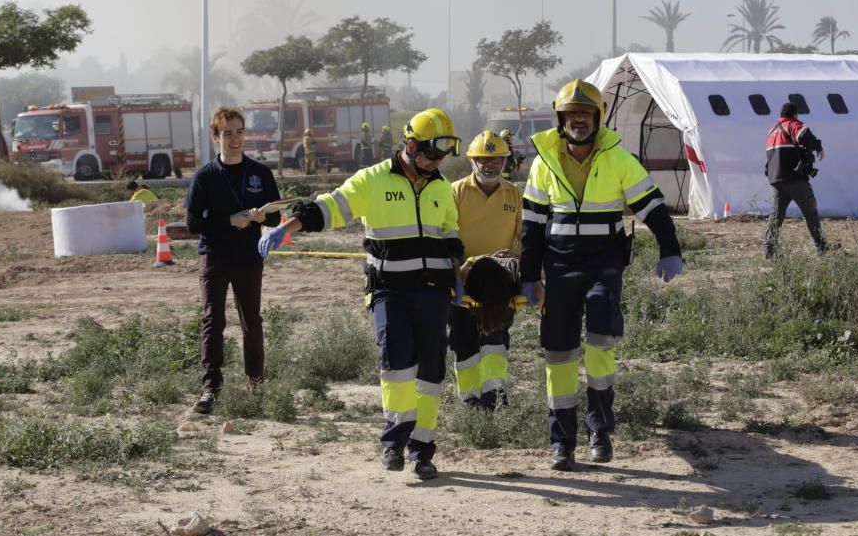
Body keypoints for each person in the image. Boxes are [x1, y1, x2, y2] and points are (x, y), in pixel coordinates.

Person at [259, 108, 463, 480]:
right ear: (411, 144)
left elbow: (450, 232)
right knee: (397, 365)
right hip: (390, 292)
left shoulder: (440, 187)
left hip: (434, 293)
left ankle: (423, 451)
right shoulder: (373, 180)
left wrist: (458, 272)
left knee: (431, 373)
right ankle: (394, 442)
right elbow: (329, 207)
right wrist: (285, 228)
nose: (437, 163)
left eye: (442, 157)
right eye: (432, 154)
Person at [521, 79, 683, 471]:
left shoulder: (618, 158)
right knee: (558, 355)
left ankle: (600, 431)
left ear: (598, 117)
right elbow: (531, 225)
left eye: (586, 114)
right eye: (572, 114)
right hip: (558, 269)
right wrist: (530, 276)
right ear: (561, 119)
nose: (579, 120)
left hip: (603, 267)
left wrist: (670, 248)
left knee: (600, 342)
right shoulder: (544, 162)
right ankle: (561, 442)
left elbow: (654, 207)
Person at [185, 107, 281, 414]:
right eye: (228, 133)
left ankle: (257, 386)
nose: (235, 139)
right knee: (214, 320)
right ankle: (211, 388)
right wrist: (230, 220)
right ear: (216, 137)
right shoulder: (205, 177)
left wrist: (262, 215)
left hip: (249, 258)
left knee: (251, 322)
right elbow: (192, 224)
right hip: (214, 256)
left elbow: (277, 214)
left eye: (239, 132)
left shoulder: (260, 173)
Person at [450, 130, 522, 410]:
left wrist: (516, 259)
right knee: (463, 340)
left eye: (496, 160)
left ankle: (496, 395)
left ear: (505, 161)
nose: (489, 165)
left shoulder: (514, 195)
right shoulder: (455, 192)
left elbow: (523, 237)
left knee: (496, 337)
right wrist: (457, 271)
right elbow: (447, 235)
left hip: (499, 280)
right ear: (472, 161)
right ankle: (469, 399)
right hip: (463, 278)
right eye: (483, 159)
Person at [763, 102, 828, 258]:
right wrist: (818, 146)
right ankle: (822, 248)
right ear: (795, 114)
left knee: (776, 216)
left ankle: (769, 250)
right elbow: (804, 136)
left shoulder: (771, 131)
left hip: (776, 179)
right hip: (794, 178)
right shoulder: (792, 124)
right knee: (810, 211)